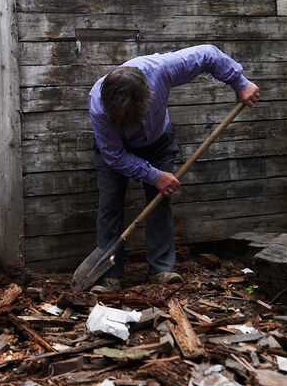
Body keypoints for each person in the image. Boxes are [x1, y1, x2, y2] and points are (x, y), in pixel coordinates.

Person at [87, 44, 260, 293]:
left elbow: (207, 55)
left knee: (160, 200)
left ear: (147, 95)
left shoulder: (160, 71)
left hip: (157, 142)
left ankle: (161, 270)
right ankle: (109, 274)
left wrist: (240, 83)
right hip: (116, 152)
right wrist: (153, 175)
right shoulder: (98, 104)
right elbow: (114, 156)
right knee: (110, 205)